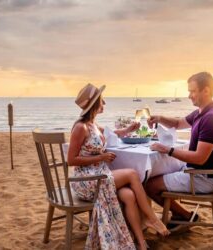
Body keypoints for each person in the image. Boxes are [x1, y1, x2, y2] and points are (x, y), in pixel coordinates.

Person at [67, 83, 169, 250]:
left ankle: (141, 242)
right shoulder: (80, 127)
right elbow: (71, 160)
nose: (104, 103)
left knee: (128, 195)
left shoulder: (92, 125)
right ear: (94, 103)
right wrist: (101, 157)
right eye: (102, 100)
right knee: (132, 174)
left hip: (99, 175)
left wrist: (129, 128)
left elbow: (113, 134)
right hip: (86, 180)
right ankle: (151, 218)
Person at [145, 71, 213, 229]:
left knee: (149, 185)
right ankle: (178, 214)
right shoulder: (201, 113)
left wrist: (168, 150)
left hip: (205, 178)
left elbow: (200, 158)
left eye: (193, 91)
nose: (189, 95)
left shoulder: (211, 119)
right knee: (155, 174)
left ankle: (185, 215)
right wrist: (160, 118)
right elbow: (177, 123)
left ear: (206, 90)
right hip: (203, 172)